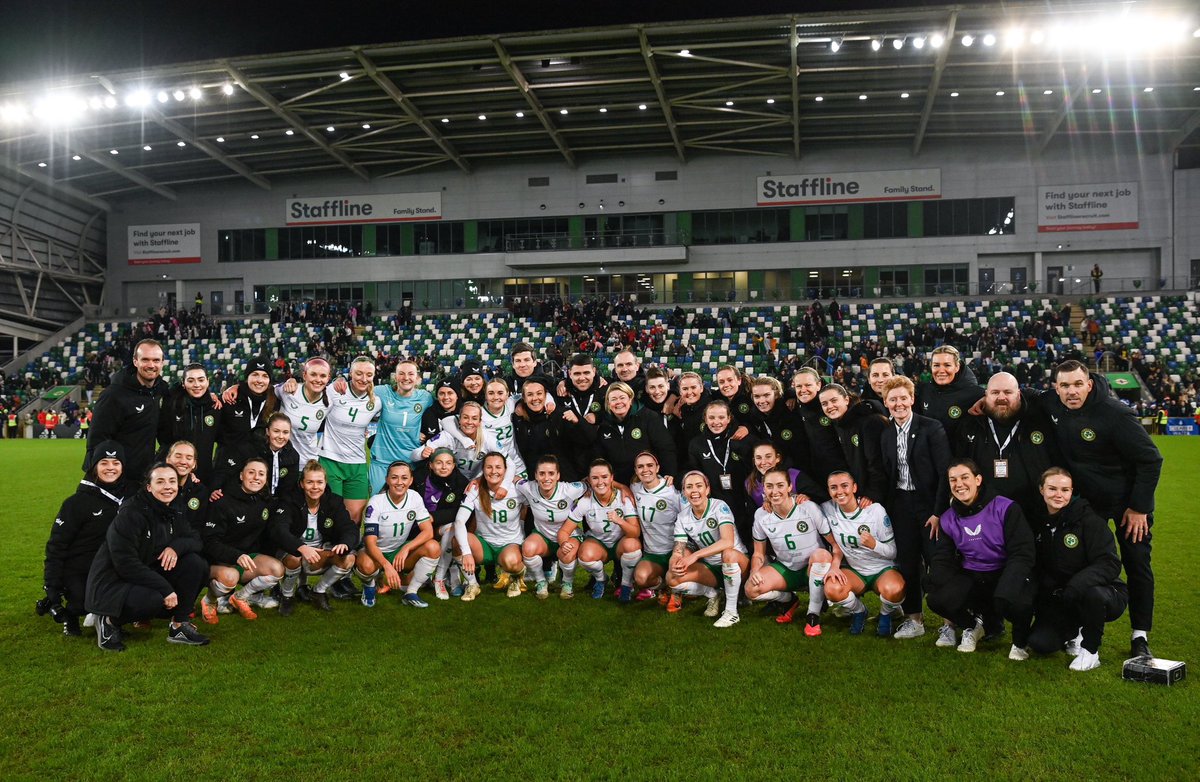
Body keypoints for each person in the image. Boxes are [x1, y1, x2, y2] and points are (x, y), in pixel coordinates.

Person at [1041, 360, 1161, 658]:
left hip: (1126, 505)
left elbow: (1151, 459)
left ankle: (1140, 636)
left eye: (1077, 384)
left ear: (1089, 384)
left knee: (1137, 563)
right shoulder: (1051, 404)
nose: (1071, 391)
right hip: (1087, 504)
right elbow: (1025, 396)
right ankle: (1080, 626)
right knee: (1080, 561)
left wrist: (1138, 507)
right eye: (1064, 385)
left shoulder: (1115, 414)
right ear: (1055, 388)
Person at [84, 463, 210, 651]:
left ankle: (179, 626)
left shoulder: (174, 507)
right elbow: (125, 564)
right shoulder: (132, 513)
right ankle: (107, 620)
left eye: (172, 481)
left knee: (197, 564)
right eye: (160, 482)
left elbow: (195, 540)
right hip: (112, 582)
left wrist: (175, 548)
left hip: (144, 572)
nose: (168, 487)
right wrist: (166, 589)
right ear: (149, 487)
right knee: (153, 600)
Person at [1015, 467, 1128, 670]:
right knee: (1041, 644)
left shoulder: (1089, 520)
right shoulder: (1036, 520)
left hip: (1102, 592)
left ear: (1072, 491)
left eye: (1065, 490)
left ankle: (1090, 650)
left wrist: (1076, 586)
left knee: (1093, 595)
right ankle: (1073, 632)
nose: (1058, 495)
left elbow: (1109, 563)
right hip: (1062, 599)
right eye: (1052, 489)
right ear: (1041, 490)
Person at [926, 460, 1035, 653]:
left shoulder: (1005, 507)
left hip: (1004, 572)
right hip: (973, 575)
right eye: (953, 480)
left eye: (964, 477)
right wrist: (933, 580)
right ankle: (973, 626)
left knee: (1013, 601)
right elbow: (943, 557)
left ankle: (1020, 642)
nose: (959, 484)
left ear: (978, 480)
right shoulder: (948, 518)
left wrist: (1008, 586)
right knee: (937, 599)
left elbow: (1022, 552)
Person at [879, 376, 951, 640]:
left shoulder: (931, 427)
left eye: (903, 398)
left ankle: (949, 623)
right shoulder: (886, 433)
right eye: (893, 399)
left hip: (929, 505)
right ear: (886, 403)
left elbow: (944, 473)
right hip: (901, 504)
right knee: (908, 563)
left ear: (912, 399)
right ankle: (914, 620)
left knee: (937, 562)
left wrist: (938, 512)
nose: (898, 403)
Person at [41, 441, 127, 637]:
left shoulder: (130, 499)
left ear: (123, 467)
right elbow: (56, 545)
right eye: (104, 463)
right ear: (94, 466)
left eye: (116, 463)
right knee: (82, 603)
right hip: (80, 568)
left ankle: (110, 619)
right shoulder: (75, 503)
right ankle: (71, 613)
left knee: (132, 599)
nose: (111, 468)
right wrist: (52, 586)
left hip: (113, 566)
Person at [200, 457, 291, 622]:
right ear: (241, 475)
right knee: (231, 576)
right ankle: (209, 600)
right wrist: (236, 556)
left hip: (245, 559)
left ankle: (240, 597)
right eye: (251, 472)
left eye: (261, 474)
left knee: (276, 569)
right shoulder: (222, 501)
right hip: (218, 562)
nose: (256, 477)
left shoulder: (265, 501)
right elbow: (209, 542)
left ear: (266, 479)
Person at [955, 371, 1060, 514]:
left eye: (1008, 392)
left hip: (1034, 512)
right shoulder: (970, 424)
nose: (1001, 397)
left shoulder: (1040, 420)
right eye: (995, 392)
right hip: (983, 513)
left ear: (1019, 394)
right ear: (985, 395)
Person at [819, 471, 906, 636]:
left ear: (854, 488)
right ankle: (859, 611)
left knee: (894, 589)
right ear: (829, 491)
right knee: (832, 588)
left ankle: (886, 613)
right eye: (833, 487)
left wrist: (874, 545)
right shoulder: (827, 509)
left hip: (882, 569)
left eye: (844, 486)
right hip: (855, 570)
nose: (839, 491)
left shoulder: (875, 510)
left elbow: (892, 552)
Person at [746, 468, 831, 635]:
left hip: (812, 567)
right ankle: (789, 600)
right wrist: (754, 570)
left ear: (789, 487)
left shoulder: (808, 507)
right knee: (751, 590)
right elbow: (758, 553)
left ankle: (813, 614)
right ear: (764, 489)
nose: (774, 491)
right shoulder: (761, 515)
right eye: (769, 486)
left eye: (780, 485)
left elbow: (833, 543)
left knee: (821, 555)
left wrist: (835, 566)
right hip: (787, 568)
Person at [666, 471, 749, 628]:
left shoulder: (719, 506)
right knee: (672, 578)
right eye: (689, 487)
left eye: (699, 486)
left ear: (707, 489)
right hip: (712, 568)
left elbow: (728, 541)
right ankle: (713, 594)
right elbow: (678, 550)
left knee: (728, 554)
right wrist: (674, 563)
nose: (694, 491)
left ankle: (731, 612)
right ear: (684, 492)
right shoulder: (683, 517)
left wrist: (695, 555)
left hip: (738, 564)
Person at [356, 460, 440, 609]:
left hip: (398, 551)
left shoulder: (414, 497)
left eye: (404, 478)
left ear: (411, 480)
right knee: (366, 565)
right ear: (387, 480)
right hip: (376, 552)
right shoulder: (376, 502)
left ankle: (411, 592)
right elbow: (370, 542)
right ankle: (369, 586)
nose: (399, 482)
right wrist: (386, 566)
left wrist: (406, 548)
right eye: (394, 477)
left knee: (433, 547)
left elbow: (428, 532)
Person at [278, 460, 359, 613]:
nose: (315, 487)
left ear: (325, 483)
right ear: (302, 484)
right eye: (310, 482)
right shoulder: (289, 500)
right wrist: (301, 547)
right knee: (293, 557)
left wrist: (345, 543)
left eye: (319, 482)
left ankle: (318, 591)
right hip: (294, 552)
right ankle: (287, 595)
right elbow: (279, 530)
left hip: (321, 552)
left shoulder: (334, 501)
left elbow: (349, 528)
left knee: (348, 558)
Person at [84, 338, 168, 479]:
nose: (151, 365)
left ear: (162, 363)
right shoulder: (114, 394)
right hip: (117, 478)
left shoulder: (161, 390)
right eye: (145, 360)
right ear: (135, 361)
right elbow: (97, 440)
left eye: (156, 360)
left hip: (144, 476)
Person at [560, 459, 641, 601]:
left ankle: (626, 585)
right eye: (595, 478)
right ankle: (601, 579)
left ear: (611, 478)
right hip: (598, 543)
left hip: (619, 544)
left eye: (604, 477)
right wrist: (563, 543)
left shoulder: (623, 498)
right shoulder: (585, 501)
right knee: (585, 555)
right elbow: (564, 531)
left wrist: (620, 521)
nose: (600, 482)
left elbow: (635, 533)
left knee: (632, 545)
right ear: (589, 480)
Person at [453, 452, 527, 601]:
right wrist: (466, 553)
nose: (494, 471)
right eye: (489, 467)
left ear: (506, 470)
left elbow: (531, 504)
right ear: (483, 470)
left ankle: (515, 577)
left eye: (498, 467)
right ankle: (472, 584)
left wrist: (522, 525)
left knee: (511, 562)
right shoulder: (475, 489)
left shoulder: (517, 488)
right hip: (484, 545)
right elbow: (459, 521)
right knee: (457, 541)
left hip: (509, 544)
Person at [319, 355, 380, 526]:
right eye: (359, 373)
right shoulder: (334, 391)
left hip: (357, 464)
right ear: (350, 374)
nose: (364, 378)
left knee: (355, 519)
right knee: (331, 515)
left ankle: (350, 544)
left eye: (369, 374)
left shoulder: (376, 401)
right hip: (330, 460)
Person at [517, 455, 587, 600]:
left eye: (551, 473)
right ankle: (541, 582)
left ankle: (567, 583)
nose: (546, 478)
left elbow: (590, 482)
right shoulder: (529, 488)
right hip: (543, 537)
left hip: (569, 536)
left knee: (567, 553)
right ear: (536, 475)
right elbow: (513, 479)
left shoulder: (569, 489)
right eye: (542, 473)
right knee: (527, 548)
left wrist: (622, 488)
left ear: (558, 476)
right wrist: (478, 481)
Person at [686, 400, 756, 543]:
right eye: (711, 418)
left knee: (747, 540)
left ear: (729, 418)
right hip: (716, 502)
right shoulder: (697, 444)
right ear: (705, 419)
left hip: (743, 501)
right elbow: (696, 474)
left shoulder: (742, 438)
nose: (716, 422)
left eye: (721, 417)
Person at [595, 381, 677, 485]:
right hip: (617, 483)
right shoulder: (604, 424)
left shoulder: (648, 417)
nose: (618, 402)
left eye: (622, 398)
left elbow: (665, 447)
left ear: (630, 400)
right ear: (608, 403)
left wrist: (669, 472)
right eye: (614, 399)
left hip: (647, 480)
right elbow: (600, 456)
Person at [818, 383, 888, 504]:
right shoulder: (839, 425)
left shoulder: (869, 421)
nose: (830, 406)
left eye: (834, 400)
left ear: (846, 400)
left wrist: (872, 493)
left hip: (878, 497)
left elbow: (877, 462)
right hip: (860, 494)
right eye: (824, 404)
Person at [417, 447, 471, 600]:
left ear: (454, 465)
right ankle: (445, 575)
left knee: (451, 529)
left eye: (448, 463)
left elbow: (459, 511)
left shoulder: (461, 482)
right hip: (417, 526)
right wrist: (423, 518)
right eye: (439, 463)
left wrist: (434, 517)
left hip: (440, 525)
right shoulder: (419, 477)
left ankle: (439, 578)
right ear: (430, 465)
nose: (444, 467)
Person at [630, 450, 683, 603]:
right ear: (636, 470)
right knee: (641, 578)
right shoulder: (635, 488)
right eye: (640, 467)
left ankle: (681, 588)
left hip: (676, 550)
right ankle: (663, 586)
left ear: (658, 468)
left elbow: (688, 518)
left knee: (686, 583)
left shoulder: (672, 490)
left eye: (650, 465)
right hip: (653, 552)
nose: (645, 470)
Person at [214, 358, 278, 477]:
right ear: (247, 376)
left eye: (265, 376)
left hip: (258, 473)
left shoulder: (276, 402)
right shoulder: (229, 399)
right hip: (227, 470)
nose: (259, 380)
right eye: (255, 374)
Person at [157, 363, 219, 484]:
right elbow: (164, 440)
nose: (196, 385)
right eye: (190, 380)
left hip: (204, 478)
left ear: (208, 381)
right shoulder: (172, 406)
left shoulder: (216, 407)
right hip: (175, 475)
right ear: (183, 383)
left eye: (201, 380)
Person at [789, 367, 848, 490]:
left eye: (808, 385)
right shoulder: (795, 408)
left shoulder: (830, 406)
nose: (803, 390)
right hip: (816, 475)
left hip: (843, 473)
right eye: (799, 386)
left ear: (818, 385)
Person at [415, 401, 504, 480]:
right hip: (452, 481)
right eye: (465, 417)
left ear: (480, 422)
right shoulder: (447, 436)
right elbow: (414, 455)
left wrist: (503, 486)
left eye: (474, 418)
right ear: (459, 419)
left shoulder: (487, 438)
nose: (469, 422)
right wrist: (422, 454)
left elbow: (509, 463)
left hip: (479, 481)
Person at [915, 345, 983, 444]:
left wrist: (986, 400)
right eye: (936, 365)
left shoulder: (976, 394)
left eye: (947, 365)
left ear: (957, 367)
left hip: (961, 453)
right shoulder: (924, 390)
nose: (941, 370)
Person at [273, 357, 331, 466]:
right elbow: (266, 390)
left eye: (323, 376)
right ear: (304, 375)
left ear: (328, 378)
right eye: (313, 374)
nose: (318, 379)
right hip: (284, 461)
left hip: (309, 463)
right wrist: (289, 381)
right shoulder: (290, 390)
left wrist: (341, 380)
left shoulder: (331, 400)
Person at [481, 378, 528, 479]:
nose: (496, 397)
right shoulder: (479, 413)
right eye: (491, 393)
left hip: (515, 462)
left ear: (507, 394)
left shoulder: (510, 403)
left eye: (500, 393)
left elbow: (529, 394)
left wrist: (550, 402)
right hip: (493, 465)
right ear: (485, 395)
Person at [165, 440, 210, 537]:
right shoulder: (156, 487)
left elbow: (198, 529)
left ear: (194, 464)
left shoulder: (200, 491)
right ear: (168, 459)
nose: (183, 462)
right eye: (178, 456)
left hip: (187, 544)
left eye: (189, 458)